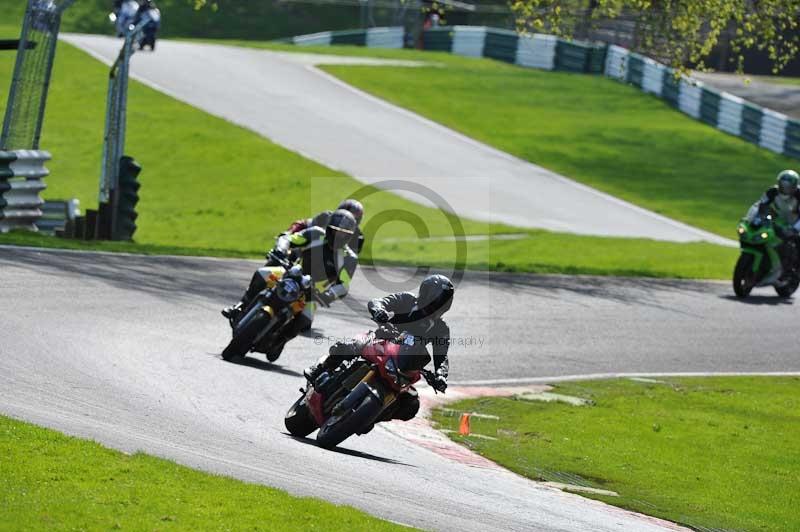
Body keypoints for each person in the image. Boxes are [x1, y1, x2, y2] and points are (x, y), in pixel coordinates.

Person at [304, 274, 454, 424]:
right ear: (425, 293)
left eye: (442, 302)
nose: (437, 305)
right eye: (435, 300)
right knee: (350, 346)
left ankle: (371, 416)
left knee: (411, 404)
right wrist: (379, 310)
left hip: (404, 363)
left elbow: (442, 356)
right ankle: (319, 369)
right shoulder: (407, 300)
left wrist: (441, 375)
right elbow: (378, 302)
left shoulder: (441, 328)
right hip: (381, 342)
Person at [222, 210, 359, 358]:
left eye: (344, 234)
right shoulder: (315, 234)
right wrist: (281, 249)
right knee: (262, 274)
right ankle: (240, 306)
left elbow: (343, 284)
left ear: (349, 236)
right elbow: (290, 238)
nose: (339, 237)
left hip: (313, 294)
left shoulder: (349, 258)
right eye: (336, 232)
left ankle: (278, 341)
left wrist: (329, 295)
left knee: (305, 318)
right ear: (329, 229)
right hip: (292, 274)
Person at [751, 169, 800, 279]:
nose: (785, 189)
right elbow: (761, 205)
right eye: (783, 185)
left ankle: (795, 269)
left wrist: (795, 229)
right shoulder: (772, 191)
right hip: (778, 221)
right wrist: (756, 218)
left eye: (788, 186)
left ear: (794, 186)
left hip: (796, 223)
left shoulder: (799, 195)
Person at [286, 199, 365, 254]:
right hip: (309, 252)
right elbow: (304, 224)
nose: (344, 218)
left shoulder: (358, 238)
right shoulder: (326, 217)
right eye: (342, 214)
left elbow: (350, 263)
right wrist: (289, 233)